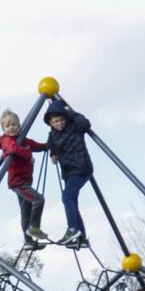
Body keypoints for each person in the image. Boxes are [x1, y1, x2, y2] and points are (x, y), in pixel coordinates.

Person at [42, 96, 93, 250]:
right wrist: (53, 155)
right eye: (55, 121)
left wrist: (69, 111)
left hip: (81, 168)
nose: (59, 123)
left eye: (61, 119)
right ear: (50, 123)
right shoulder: (53, 135)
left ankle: (72, 229)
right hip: (68, 172)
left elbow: (85, 123)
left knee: (67, 196)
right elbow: (53, 147)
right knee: (72, 202)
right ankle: (81, 237)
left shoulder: (75, 127)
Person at [0, 109, 49, 248]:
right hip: (17, 182)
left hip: (26, 181)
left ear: (19, 126)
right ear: (3, 129)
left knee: (25, 210)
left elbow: (38, 146)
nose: (11, 128)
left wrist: (51, 144)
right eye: (7, 126)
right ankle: (34, 227)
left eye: (14, 125)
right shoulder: (6, 140)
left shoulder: (25, 140)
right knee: (39, 200)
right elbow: (14, 149)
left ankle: (28, 241)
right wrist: (28, 155)